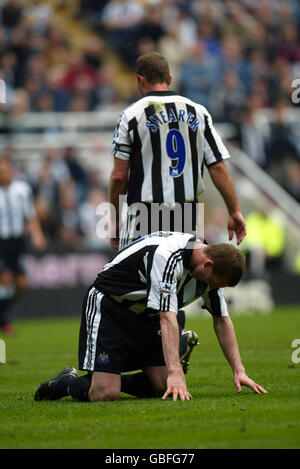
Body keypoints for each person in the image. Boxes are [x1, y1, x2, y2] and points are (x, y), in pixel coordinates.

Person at [34, 231, 267, 403]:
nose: (212, 287)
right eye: (213, 282)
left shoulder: (208, 268)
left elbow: (221, 320)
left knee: (163, 387)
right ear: (208, 263)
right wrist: (176, 373)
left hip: (147, 313)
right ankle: (65, 383)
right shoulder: (168, 257)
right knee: (105, 393)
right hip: (111, 307)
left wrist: (239, 370)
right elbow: (167, 317)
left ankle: (109, 376)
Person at [109, 52, 247, 252]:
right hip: (186, 214)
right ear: (170, 79)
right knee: (180, 278)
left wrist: (114, 220)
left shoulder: (131, 116)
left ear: (140, 80)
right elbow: (217, 165)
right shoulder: (198, 112)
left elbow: (119, 176)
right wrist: (234, 210)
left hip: (144, 213)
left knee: (138, 280)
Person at [0, 156, 46, 334]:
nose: (3, 174)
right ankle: (5, 321)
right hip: (1, 242)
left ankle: (3, 311)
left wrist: (37, 235)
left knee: (21, 284)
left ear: (11, 171)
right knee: (4, 278)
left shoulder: (22, 189)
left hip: (18, 241)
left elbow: (30, 216)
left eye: (5, 170)